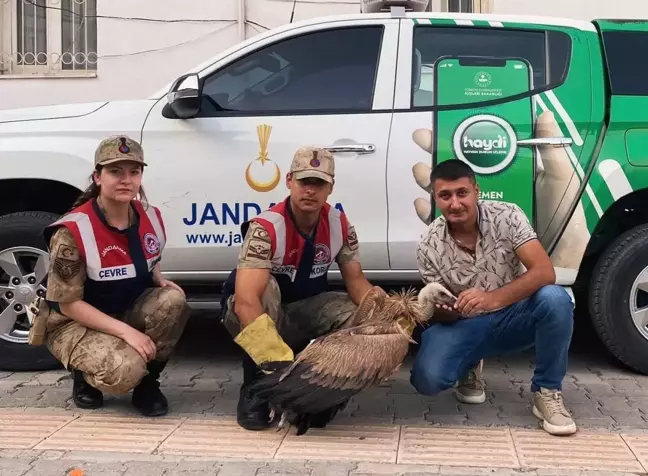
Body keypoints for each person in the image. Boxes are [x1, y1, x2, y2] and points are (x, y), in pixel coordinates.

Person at [410, 159, 576, 436]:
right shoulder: (428, 243)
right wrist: (447, 308)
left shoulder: (507, 215)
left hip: (514, 313)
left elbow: (544, 272)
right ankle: (470, 364)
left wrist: (492, 299)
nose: (455, 203)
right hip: (466, 323)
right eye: (445, 195)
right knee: (428, 380)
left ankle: (547, 391)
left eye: (462, 193)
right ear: (435, 197)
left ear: (476, 191)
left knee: (556, 299)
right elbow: (437, 309)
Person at [220, 146, 379, 431]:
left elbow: (357, 283)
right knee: (263, 290)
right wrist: (280, 365)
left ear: (331, 188)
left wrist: (387, 317)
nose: (310, 190)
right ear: (289, 181)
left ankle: (324, 389)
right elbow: (246, 302)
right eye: (305, 181)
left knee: (357, 313)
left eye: (319, 183)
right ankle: (257, 384)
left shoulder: (340, 224)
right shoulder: (266, 228)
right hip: (264, 316)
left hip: (307, 311)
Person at [33, 135, 190, 417]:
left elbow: (149, 253)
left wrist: (157, 276)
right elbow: (68, 304)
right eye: (115, 171)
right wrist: (127, 333)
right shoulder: (73, 231)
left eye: (134, 172)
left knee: (173, 300)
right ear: (97, 177)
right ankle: (84, 374)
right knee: (124, 370)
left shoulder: (149, 215)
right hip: (72, 322)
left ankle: (147, 385)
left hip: (121, 309)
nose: (125, 180)